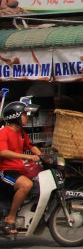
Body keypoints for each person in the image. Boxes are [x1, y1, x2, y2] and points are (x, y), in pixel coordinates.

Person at [0, 101, 41, 236]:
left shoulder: (22, 133)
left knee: (37, 184)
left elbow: (31, 146)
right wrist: (27, 157)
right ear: (15, 116)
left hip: (18, 171)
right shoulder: (4, 132)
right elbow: (3, 152)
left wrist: (43, 156)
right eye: (24, 114)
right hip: (5, 171)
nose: (26, 117)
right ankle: (10, 218)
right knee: (26, 184)